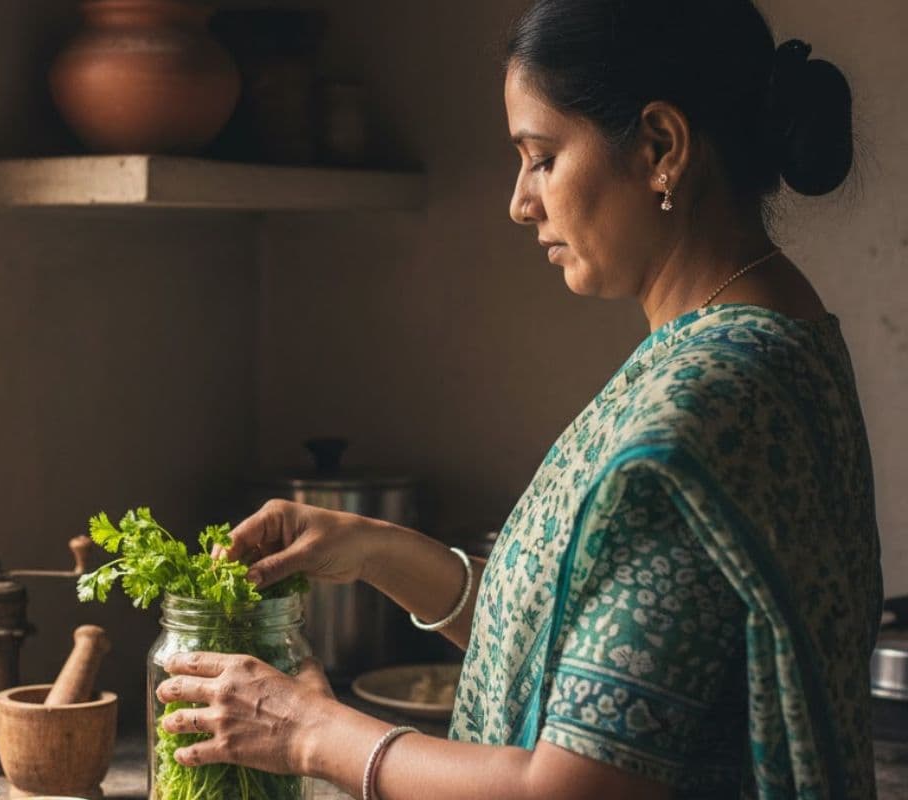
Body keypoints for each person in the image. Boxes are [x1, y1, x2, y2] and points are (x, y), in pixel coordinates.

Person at [155, 1, 882, 797]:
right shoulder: (777, 337)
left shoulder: (702, 410)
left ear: (660, 147)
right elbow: (592, 648)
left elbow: (574, 790)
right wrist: (374, 549)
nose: (520, 201)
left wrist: (310, 734)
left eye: (541, 157)